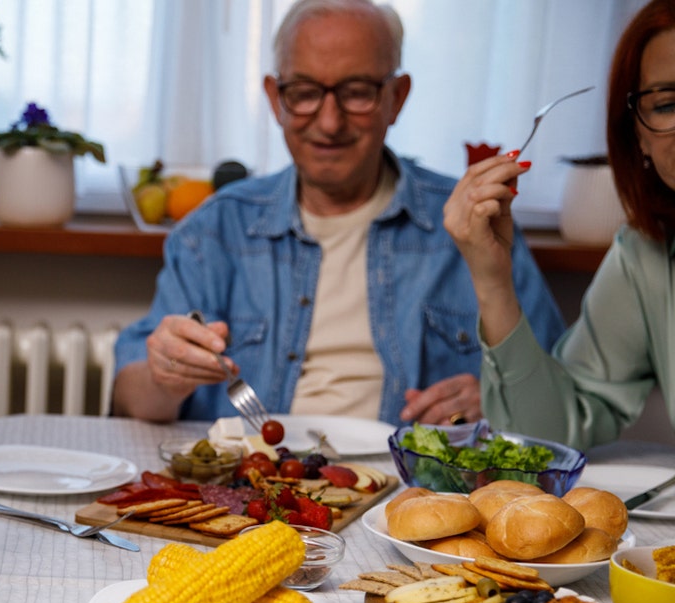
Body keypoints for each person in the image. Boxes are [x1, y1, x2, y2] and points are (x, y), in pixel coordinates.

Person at [112, 0, 565, 428]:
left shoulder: (472, 223)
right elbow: (133, 399)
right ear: (275, 98)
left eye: (357, 93)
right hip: (252, 489)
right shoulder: (214, 230)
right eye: (305, 93)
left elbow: (556, 397)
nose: (329, 122)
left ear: (397, 97)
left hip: (411, 496)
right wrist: (162, 375)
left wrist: (494, 401)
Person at [445, 0, 675, 450]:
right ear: (638, 137)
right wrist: (493, 280)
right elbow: (545, 437)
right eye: (667, 103)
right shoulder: (645, 256)